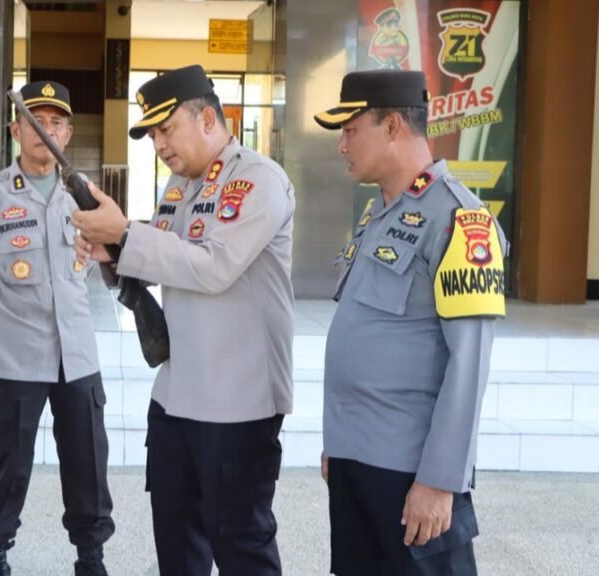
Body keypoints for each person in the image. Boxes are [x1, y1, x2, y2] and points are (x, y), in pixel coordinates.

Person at [71, 64, 296, 575]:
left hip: (237, 402)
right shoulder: (181, 185)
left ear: (209, 119)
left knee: (242, 547)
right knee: (177, 546)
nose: (159, 144)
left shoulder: (257, 179)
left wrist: (127, 234)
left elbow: (214, 266)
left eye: (166, 129)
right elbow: (165, 255)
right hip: (176, 396)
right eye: (151, 134)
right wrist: (112, 250)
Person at [314, 69, 507, 575]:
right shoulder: (379, 214)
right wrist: (340, 446)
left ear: (393, 125)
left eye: (351, 130)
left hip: (412, 474)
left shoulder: (461, 220)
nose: (342, 146)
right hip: (358, 462)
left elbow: (469, 365)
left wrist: (441, 481)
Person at [0, 80, 114, 576]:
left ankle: (91, 556)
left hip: (77, 356)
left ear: (68, 134)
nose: (45, 131)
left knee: (88, 464)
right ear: (15, 129)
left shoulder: (86, 198)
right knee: (6, 465)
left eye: (56, 123)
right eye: (35, 121)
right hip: (12, 356)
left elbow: (94, 263)